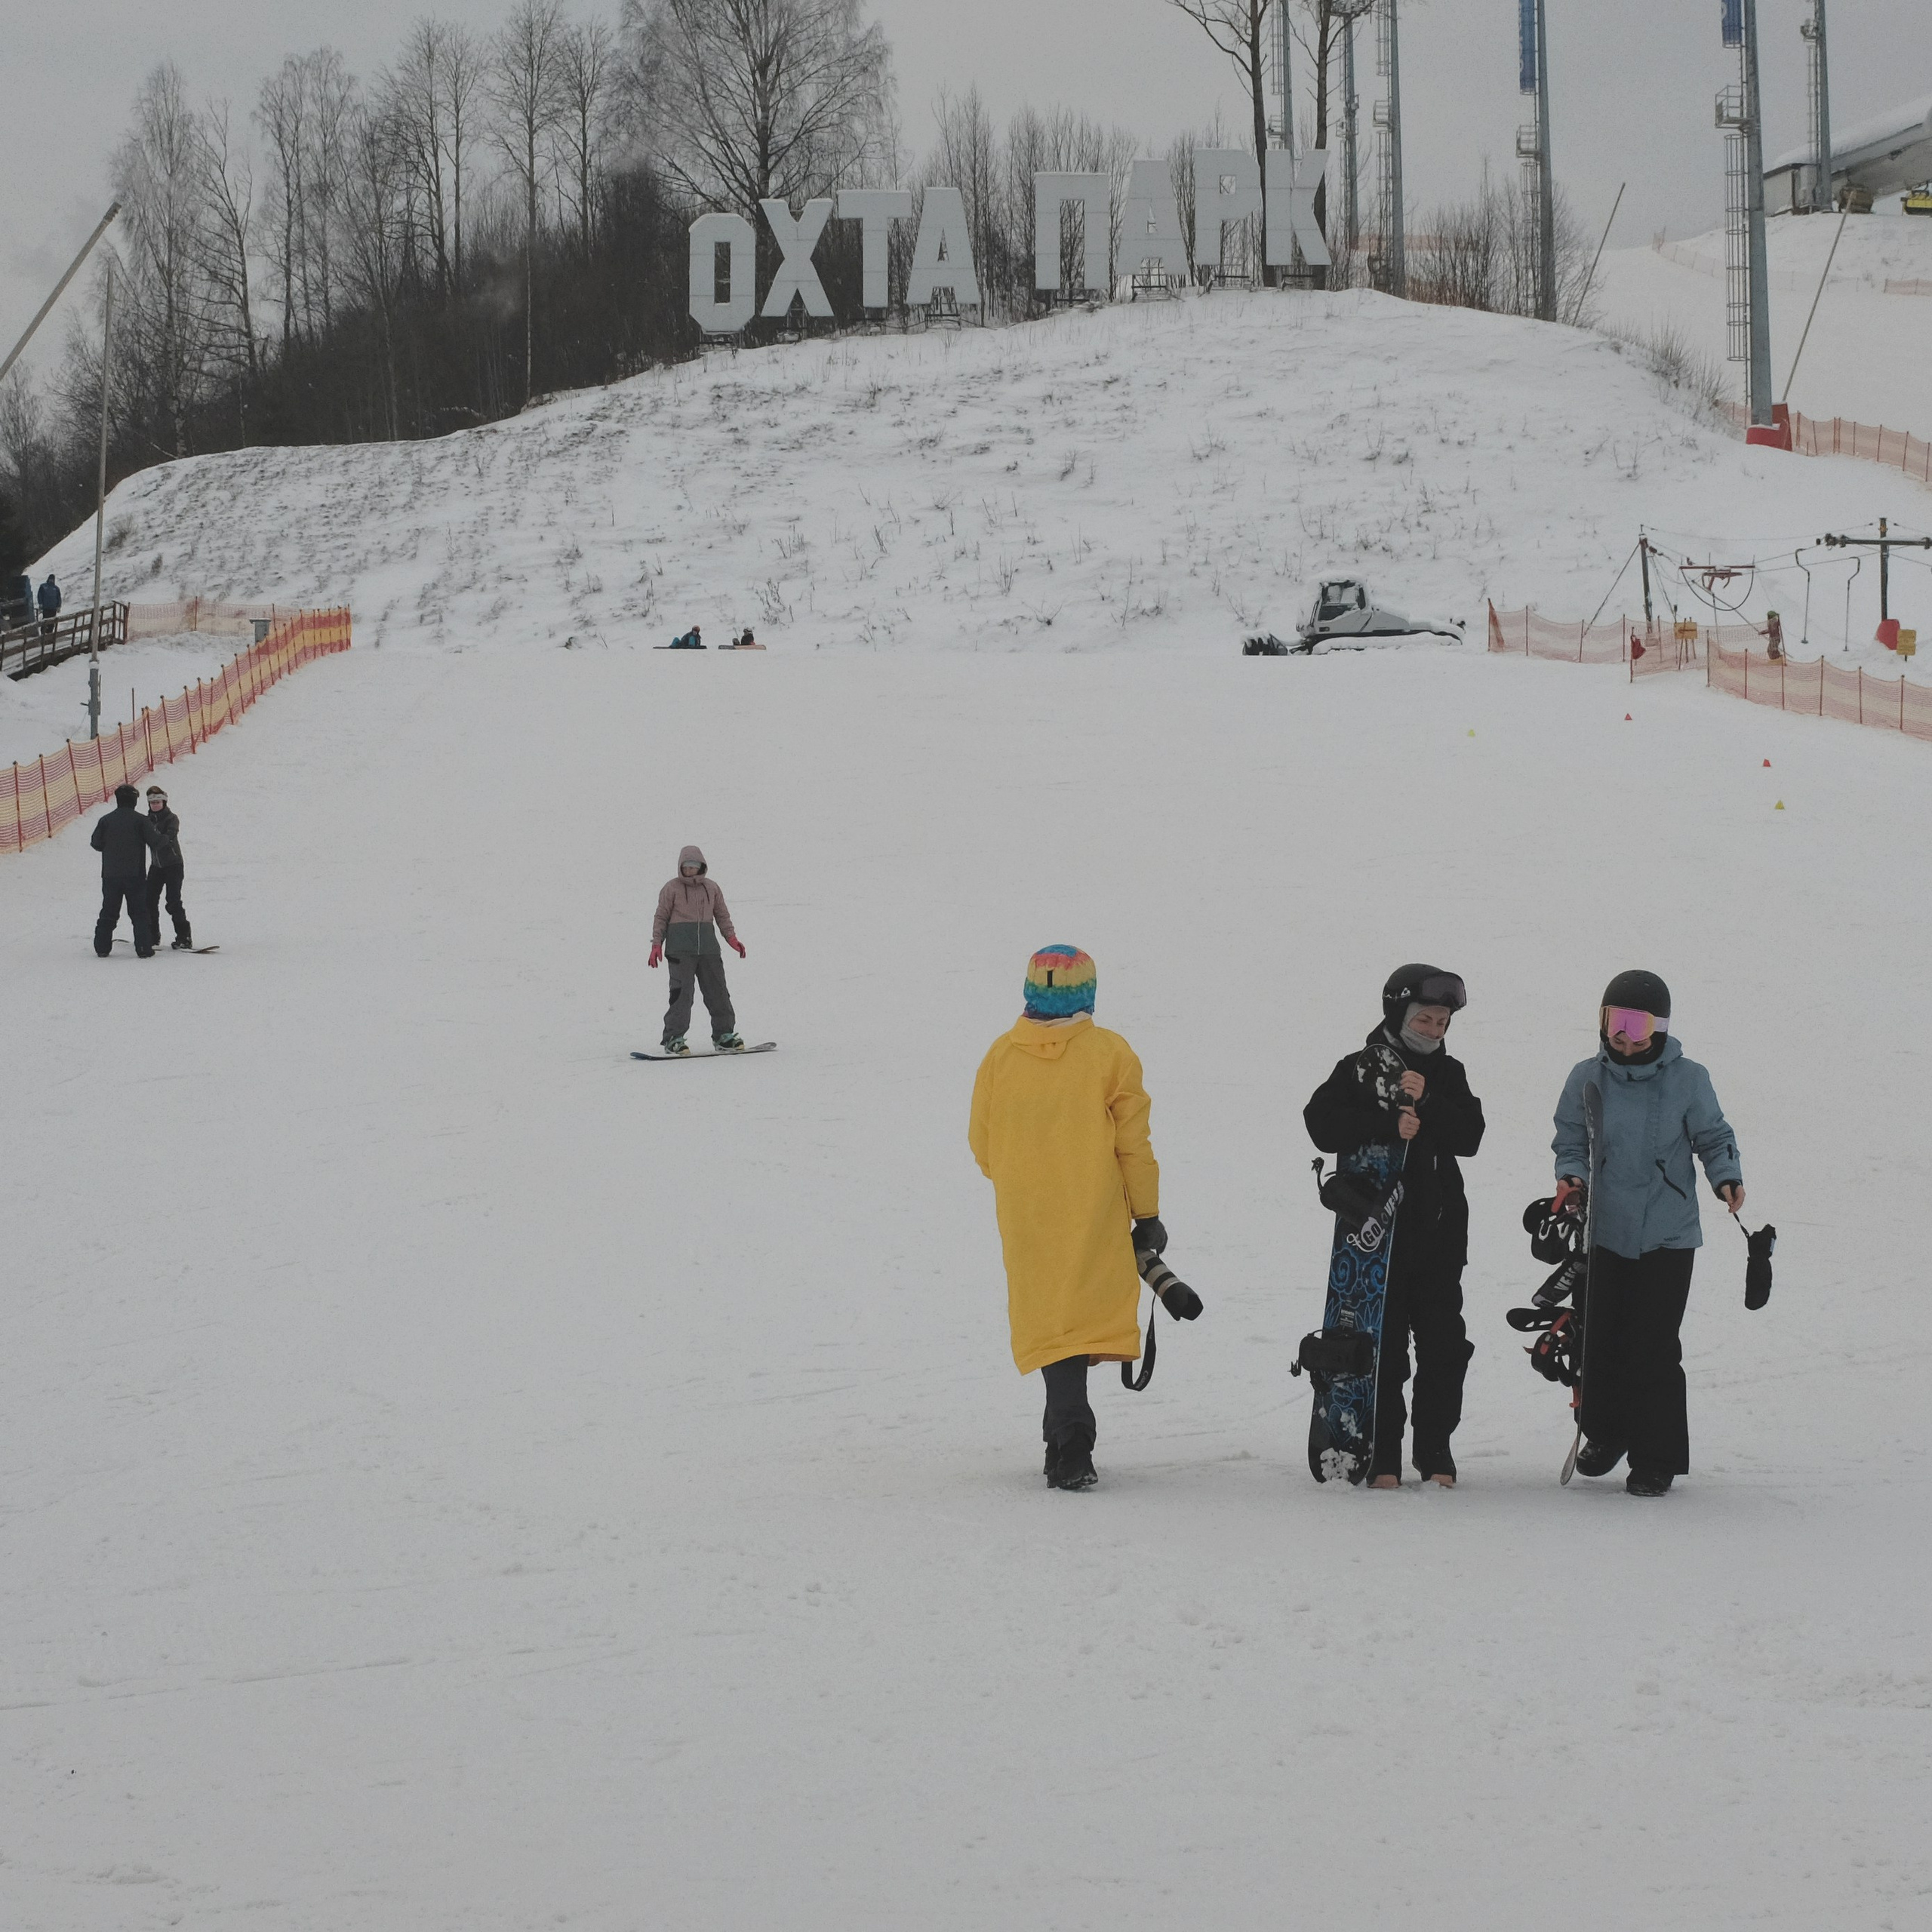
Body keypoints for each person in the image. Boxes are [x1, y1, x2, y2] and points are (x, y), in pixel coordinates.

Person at [970, 945, 1188, 1492]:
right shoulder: (1109, 1054)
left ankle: (1059, 1441)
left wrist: (1024, 1180)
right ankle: (1073, 1444)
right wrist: (1148, 1213)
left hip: (1024, 1214)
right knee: (1079, 1320)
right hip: (1092, 1209)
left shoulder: (1000, 1055)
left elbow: (982, 1143)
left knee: (1052, 1322)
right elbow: (1133, 1143)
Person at [1553, 970, 1743, 1497]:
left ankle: (1655, 1457)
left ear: (1659, 1028)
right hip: (1605, 1232)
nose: (1626, 1035)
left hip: (1667, 1233)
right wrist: (1570, 1177)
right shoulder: (1585, 1077)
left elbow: (1713, 1134)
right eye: (1617, 1021)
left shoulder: (1689, 1078)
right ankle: (1606, 1433)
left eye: (1638, 1025)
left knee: (1653, 1347)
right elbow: (1570, 1138)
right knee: (1601, 1341)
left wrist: (1726, 1175)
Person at [1305, 965, 1486, 1488]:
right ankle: (1382, 1454)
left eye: (1441, 1022)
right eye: (1424, 1019)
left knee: (1444, 1346)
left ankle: (1435, 1452)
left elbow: (1471, 1135)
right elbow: (1319, 1123)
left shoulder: (1449, 1074)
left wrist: (1428, 1101)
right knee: (1381, 1350)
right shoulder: (1358, 1068)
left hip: (1440, 1232)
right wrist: (1386, 1123)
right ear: (1398, 1014)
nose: (1432, 1030)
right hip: (1374, 1240)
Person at [648, 844, 744, 1053]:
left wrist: (732, 938)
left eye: (694, 866)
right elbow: (661, 917)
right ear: (680, 867)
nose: (690, 870)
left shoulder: (712, 888)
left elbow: (722, 915)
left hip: (709, 950)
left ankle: (724, 1036)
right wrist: (657, 944)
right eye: (686, 866)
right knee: (682, 995)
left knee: (718, 992)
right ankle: (674, 1038)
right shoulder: (671, 888)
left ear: (702, 866)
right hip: (680, 952)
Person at [90, 783, 161, 957]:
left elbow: (96, 843)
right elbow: (156, 842)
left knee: (109, 911)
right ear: (134, 801)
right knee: (139, 913)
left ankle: (102, 948)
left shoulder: (105, 820)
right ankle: (144, 949)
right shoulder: (141, 820)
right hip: (135, 875)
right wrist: (168, 836)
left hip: (110, 875)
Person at [142, 784, 192, 950]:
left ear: (164, 802)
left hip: (173, 865)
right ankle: (152, 936)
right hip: (156, 866)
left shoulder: (171, 818)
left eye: (158, 802)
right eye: (152, 803)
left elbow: (169, 836)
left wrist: (154, 839)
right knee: (149, 900)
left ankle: (184, 937)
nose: (155, 805)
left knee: (173, 902)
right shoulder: (146, 821)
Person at [37, 571, 60, 638]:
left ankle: (50, 634)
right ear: (48, 579)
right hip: (46, 608)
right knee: (45, 621)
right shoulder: (43, 586)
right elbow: (40, 595)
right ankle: (43, 634)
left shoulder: (56, 588)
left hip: (53, 608)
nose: (51, 580)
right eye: (50, 579)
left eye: (53, 579)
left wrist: (59, 606)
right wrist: (40, 603)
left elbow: (58, 597)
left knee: (52, 623)